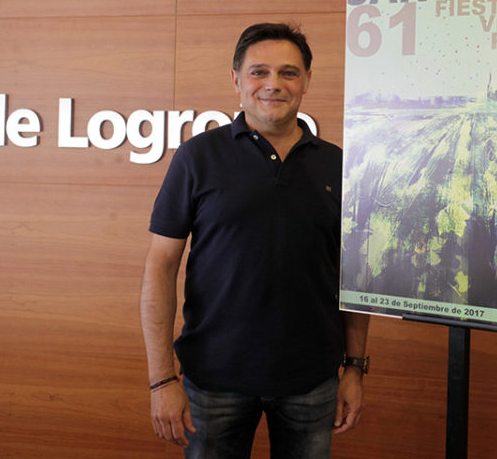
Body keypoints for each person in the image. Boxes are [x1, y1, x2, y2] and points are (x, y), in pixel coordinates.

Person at [140, 22, 370, 458]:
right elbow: (160, 264)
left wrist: (355, 368)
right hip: (212, 381)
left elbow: (352, 276)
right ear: (236, 80)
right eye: (259, 72)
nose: (273, 85)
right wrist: (162, 378)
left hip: (312, 382)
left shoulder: (338, 166)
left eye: (288, 72)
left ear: (305, 81)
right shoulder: (198, 157)